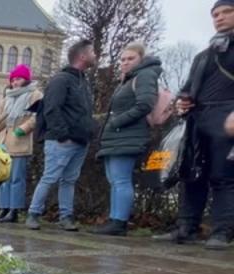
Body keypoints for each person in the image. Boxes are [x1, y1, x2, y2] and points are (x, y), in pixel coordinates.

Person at [159, 1, 234, 249]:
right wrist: (183, 103)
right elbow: (188, 88)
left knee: (223, 177)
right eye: (215, 14)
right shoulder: (205, 54)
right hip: (198, 120)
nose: (219, 18)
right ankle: (186, 228)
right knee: (191, 174)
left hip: (227, 117)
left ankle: (222, 233)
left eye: (227, 12)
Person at [26, 39, 97, 232]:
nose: (95, 55)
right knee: (50, 177)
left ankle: (66, 216)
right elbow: (51, 108)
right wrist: (62, 134)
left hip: (80, 140)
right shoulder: (61, 80)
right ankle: (33, 213)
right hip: (62, 140)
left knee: (69, 180)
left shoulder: (83, 81)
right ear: (82, 56)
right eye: (92, 51)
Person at [93, 43, 163, 236]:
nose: (125, 63)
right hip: (117, 136)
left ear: (141, 59)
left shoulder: (145, 76)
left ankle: (119, 222)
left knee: (121, 180)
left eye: (130, 59)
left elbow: (145, 104)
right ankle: (115, 220)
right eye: (123, 59)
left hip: (127, 136)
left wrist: (117, 121)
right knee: (115, 180)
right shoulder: (127, 79)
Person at [0, 64, 42, 223]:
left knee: (16, 178)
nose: (14, 82)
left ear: (26, 79)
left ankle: (14, 209)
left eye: (18, 79)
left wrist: (24, 128)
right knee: (4, 178)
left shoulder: (34, 95)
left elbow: (37, 116)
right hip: (4, 141)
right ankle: (4, 207)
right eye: (13, 79)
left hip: (20, 141)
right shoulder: (6, 98)